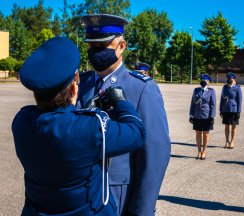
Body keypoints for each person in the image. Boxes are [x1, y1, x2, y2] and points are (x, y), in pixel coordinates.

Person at [11, 37, 146, 216]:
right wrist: (121, 102)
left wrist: (79, 113)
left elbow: (57, 123)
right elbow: (137, 133)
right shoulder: (91, 127)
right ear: (75, 89)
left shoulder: (21, 120)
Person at [77, 14, 171, 216]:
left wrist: (141, 210)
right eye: (91, 46)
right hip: (77, 198)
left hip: (116, 198)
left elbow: (154, 154)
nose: (95, 52)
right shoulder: (79, 84)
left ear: (122, 46)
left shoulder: (141, 89)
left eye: (102, 46)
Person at [189, 74, 216, 160]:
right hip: (197, 115)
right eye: (201, 80)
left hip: (207, 116)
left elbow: (213, 105)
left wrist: (212, 116)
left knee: (206, 134)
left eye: (205, 80)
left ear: (208, 82)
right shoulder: (196, 90)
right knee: (198, 134)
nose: (203, 81)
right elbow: (192, 103)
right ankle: (199, 151)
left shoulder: (211, 91)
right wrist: (191, 115)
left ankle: (204, 152)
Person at [220, 72, 242, 149]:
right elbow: (222, 99)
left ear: (234, 80)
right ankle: (226, 141)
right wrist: (221, 109)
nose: (229, 80)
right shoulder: (224, 87)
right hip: (225, 109)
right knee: (226, 126)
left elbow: (239, 100)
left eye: (231, 79)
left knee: (233, 126)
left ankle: (232, 141)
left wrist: (238, 111)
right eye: (228, 79)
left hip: (234, 109)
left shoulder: (237, 88)